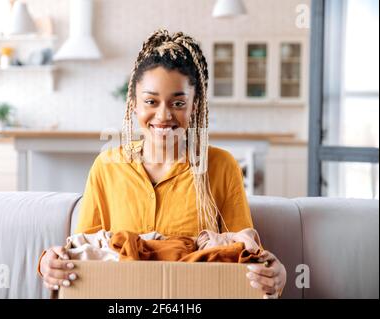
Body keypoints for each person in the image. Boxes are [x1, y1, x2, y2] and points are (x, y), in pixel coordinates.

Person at [38, 29, 287, 298]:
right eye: (151, 101)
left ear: (194, 106)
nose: (164, 115)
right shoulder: (107, 166)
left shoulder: (221, 166)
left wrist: (275, 273)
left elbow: (241, 254)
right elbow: (84, 253)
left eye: (178, 102)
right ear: (134, 104)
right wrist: (48, 264)